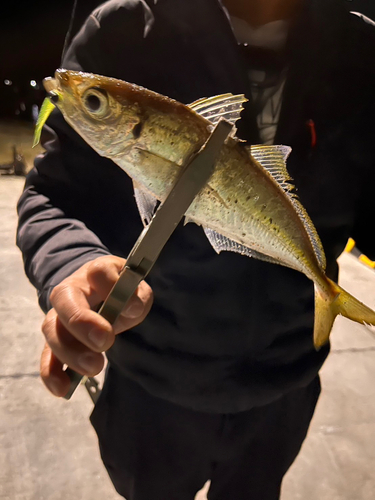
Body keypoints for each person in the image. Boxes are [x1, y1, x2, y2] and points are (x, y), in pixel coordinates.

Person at [16, 0, 375, 498]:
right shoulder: (124, 28)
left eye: (95, 103)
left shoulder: (364, 51)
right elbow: (54, 192)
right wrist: (71, 263)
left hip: (285, 388)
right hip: (149, 387)